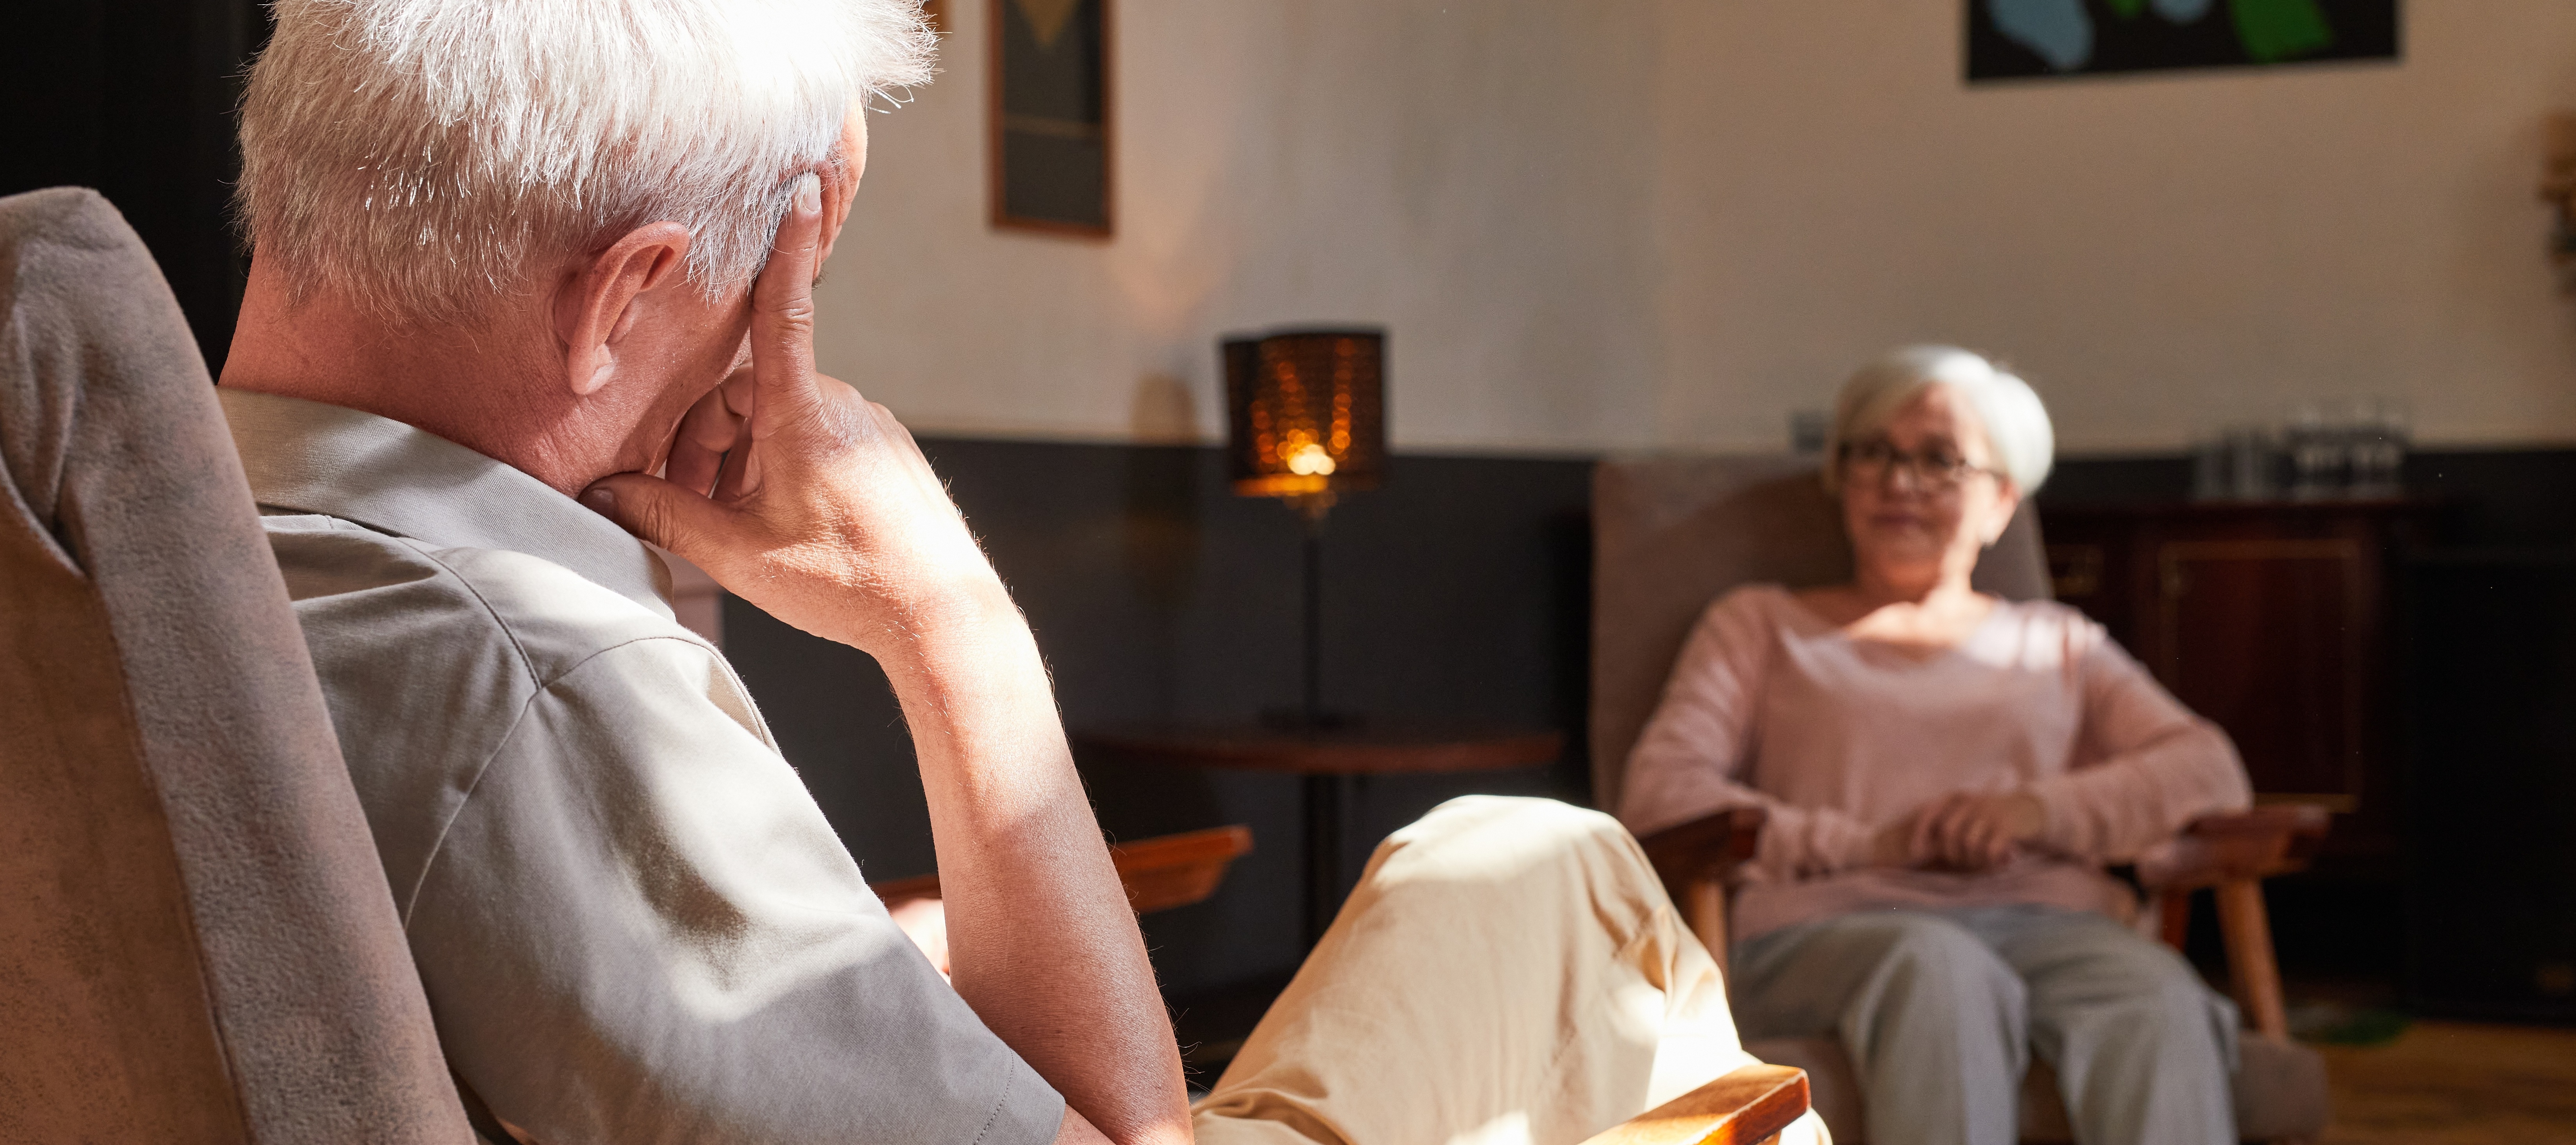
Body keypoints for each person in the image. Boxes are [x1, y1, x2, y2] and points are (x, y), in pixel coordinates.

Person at [216, 2, 1817, 1143]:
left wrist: (864, 974)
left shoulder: (134, 571)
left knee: (1522, 871)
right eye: (776, 297)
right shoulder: (530, 673)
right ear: (619, 296)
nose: (769, 371)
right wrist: (947, 619)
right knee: (1547, 870)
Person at [1618, 346, 2255, 1145]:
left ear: (2000, 504)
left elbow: (2209, 771)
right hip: (1830, 929)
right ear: (1841, 476)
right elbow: (1661, 793)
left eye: (1939, 460)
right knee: (1941, 971)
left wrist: (2038, 812)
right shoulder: (1758, 626)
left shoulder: (2055, 643)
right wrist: (1866, 842)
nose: (1899, 481)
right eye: (1874, 452)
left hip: (2050, 923)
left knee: (2154, 993)